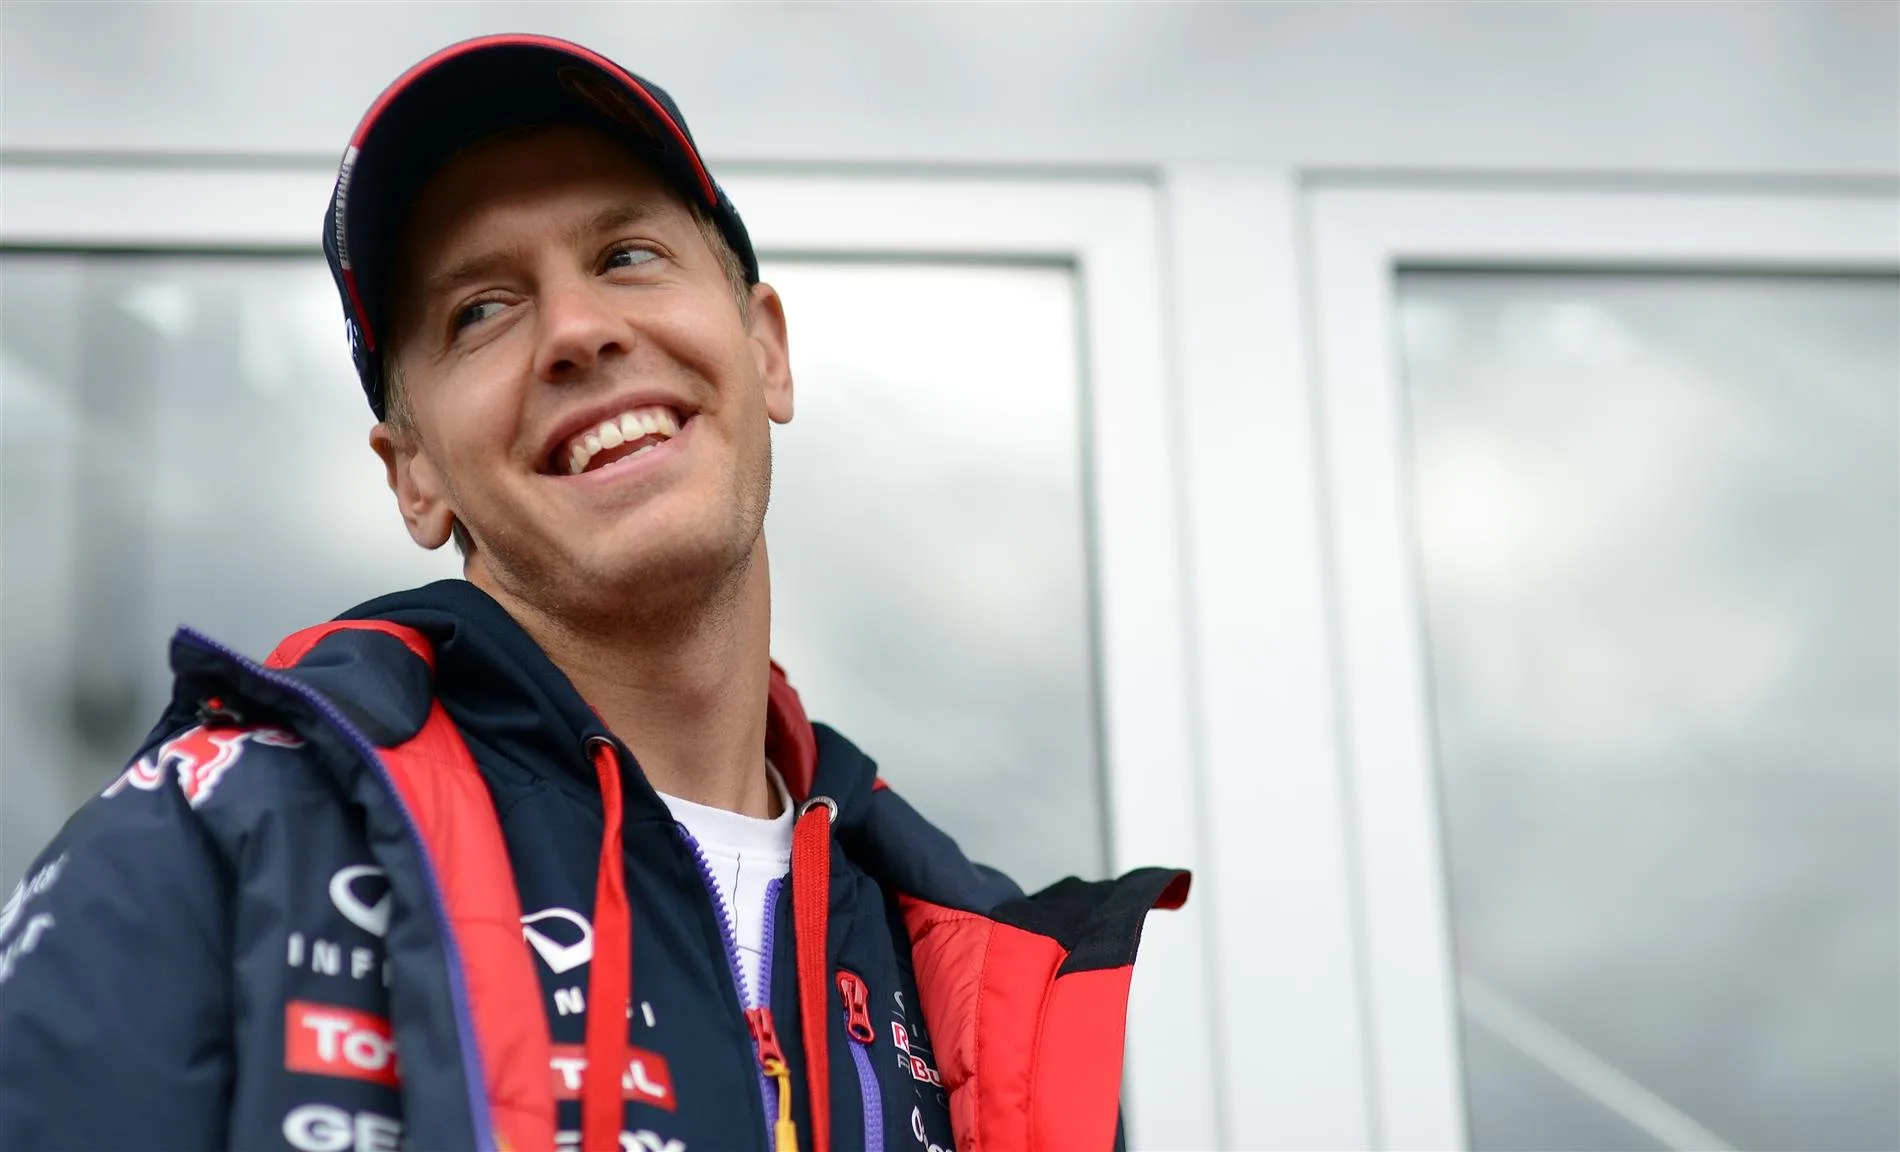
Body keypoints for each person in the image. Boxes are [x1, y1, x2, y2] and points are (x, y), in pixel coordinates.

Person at [0, 33, 1187, 1152]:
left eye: (626, 255)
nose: (575, 329)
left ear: (765, 349)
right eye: (482, 309)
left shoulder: (981, 984)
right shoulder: (221, 834)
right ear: (414, 475)